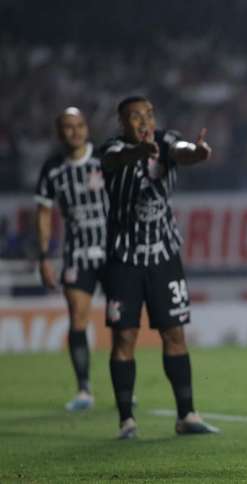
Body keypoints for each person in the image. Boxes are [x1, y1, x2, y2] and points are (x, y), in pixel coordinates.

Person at [100, 95, 219, 439]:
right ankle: (126, 421)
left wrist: (197, 152)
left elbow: (182, 149)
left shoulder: (166, 141)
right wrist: (139, 153)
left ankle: (187, 415)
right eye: (135, 116)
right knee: (125, 336)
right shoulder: (110, 148)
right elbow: (115, 159)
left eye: (148, 114)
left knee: (174, 334)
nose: (143, 121)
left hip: (164, 256)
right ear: (122, 123)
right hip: (124, 259)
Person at [34, 107, 109, 411]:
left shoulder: (105, 160)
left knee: (122, 323)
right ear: (59, 132)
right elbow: (43, 215)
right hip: (77, 254)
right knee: (78, 316)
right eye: (68, 126)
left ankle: (122, 384)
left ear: (86, 128)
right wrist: (44, 257)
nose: (75, 131)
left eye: (79, 125)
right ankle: (84, 390)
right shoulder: (52, 169)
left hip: (112, 252)